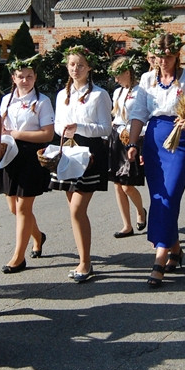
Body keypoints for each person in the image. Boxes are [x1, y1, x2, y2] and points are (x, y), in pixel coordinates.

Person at [128, 32, 185, 286]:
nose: (163, 61)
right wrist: (132, 143)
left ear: (177, 56)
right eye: (160, 57)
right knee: (159, 196)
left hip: (179, 142)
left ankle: (159, 259)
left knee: (171, 194)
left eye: (169, 57)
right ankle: (175, 249)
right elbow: (138, 113)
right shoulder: (146, 79)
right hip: (153, 139)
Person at [49, 45, 112, 283]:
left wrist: (80, 127)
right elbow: (57, 124)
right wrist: (63, 131)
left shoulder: (99, 95)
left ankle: (85, 263)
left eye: (81, 65)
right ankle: (84, 258)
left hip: (90, 152)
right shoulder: (61, 94)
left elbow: (106, 128)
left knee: (77, 209)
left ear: (90, 68)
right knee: (74, 211)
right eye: (72, 64)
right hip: (68, 150)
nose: (75, 69)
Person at [0, 56, 54, 272]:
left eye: (29, 76)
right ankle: (38, 236)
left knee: (23, 207)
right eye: (21, 76)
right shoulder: (6, 100)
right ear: (13, 78)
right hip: (9, 153)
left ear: (35, 78)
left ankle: (18, 257)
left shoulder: (42, 101)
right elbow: (1, 127)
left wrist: (17, 133)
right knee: (13, 207)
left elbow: (47, 134)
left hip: (30, 155)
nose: (25, 80)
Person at [107, 55, 147, 238]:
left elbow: (144, 118)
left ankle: (140, 211)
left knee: (127, 185)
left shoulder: (141, 92)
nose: (115, 79)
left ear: (128, 72)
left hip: (132, 137)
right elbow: (116, 116)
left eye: (118, 74)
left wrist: (138, 139)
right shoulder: (118, 92)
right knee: (117, 184)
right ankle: (126, 225)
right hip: (117, 137)